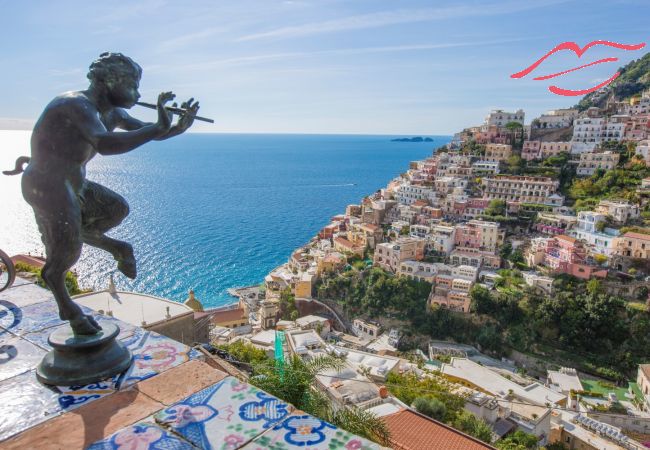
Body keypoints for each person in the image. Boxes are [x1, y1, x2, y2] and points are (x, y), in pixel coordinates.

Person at [18, 52, 199, 335]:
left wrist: (177, 127)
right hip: (47, 184)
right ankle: (68, 306)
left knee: (116, 209)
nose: (138, 93)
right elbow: (106, 143)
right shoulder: (75, 105)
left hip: (73, 182)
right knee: (67, 252)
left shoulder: (114, 113)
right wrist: (158, 127)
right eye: (132, 85)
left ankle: (115, 247)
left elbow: (151, 131)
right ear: (109, 80)